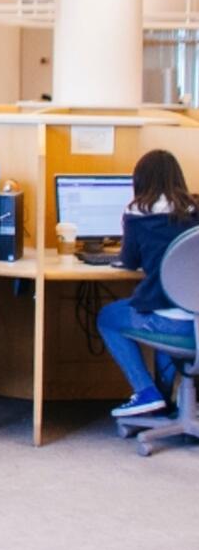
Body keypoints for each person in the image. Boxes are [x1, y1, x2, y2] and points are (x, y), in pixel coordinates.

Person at [97, 149, 199, 417]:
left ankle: (146, 391)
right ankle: (165, 398)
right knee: (162, 305)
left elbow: (129, 261)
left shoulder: (137, 214)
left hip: (170, 324)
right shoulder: (196, 211)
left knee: (108, 316)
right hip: (196, 324)